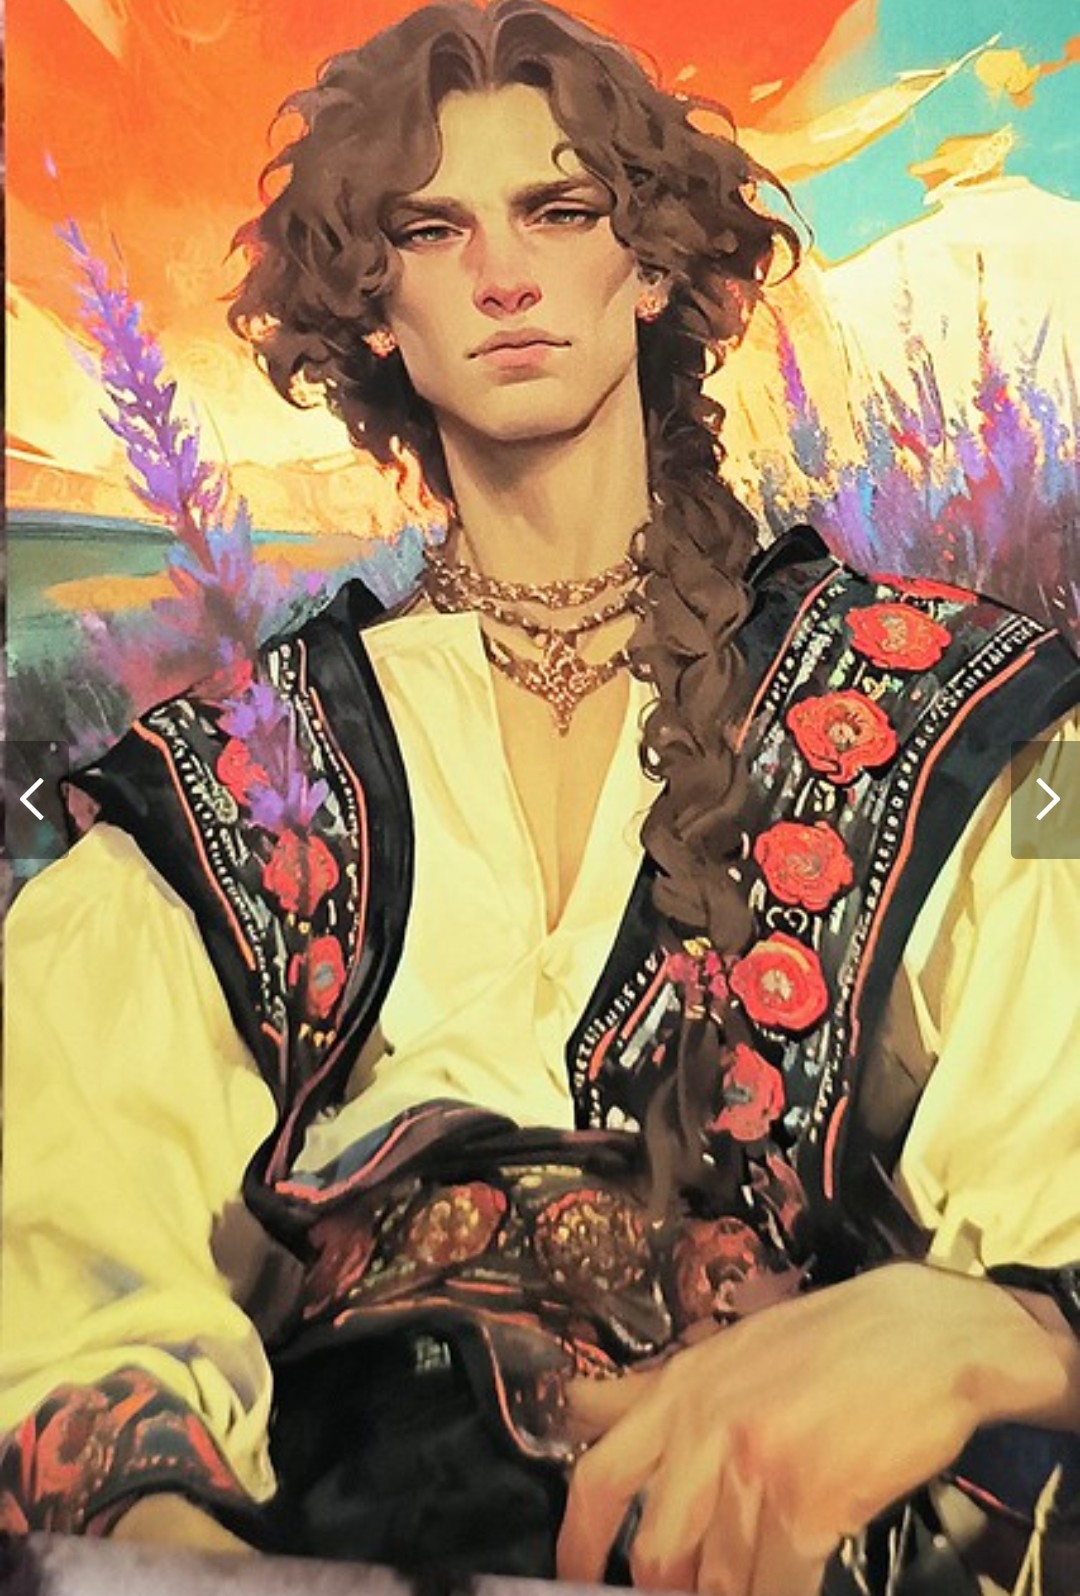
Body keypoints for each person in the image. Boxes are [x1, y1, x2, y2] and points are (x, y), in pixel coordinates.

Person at [2, 4, 1079, 1592]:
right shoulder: (236, 773)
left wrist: (991, 1336)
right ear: (376, 312)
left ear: (646, 267)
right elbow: (70, 1273)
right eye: (433, 232)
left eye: (559, 211)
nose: (503, 275)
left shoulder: (948, 702)